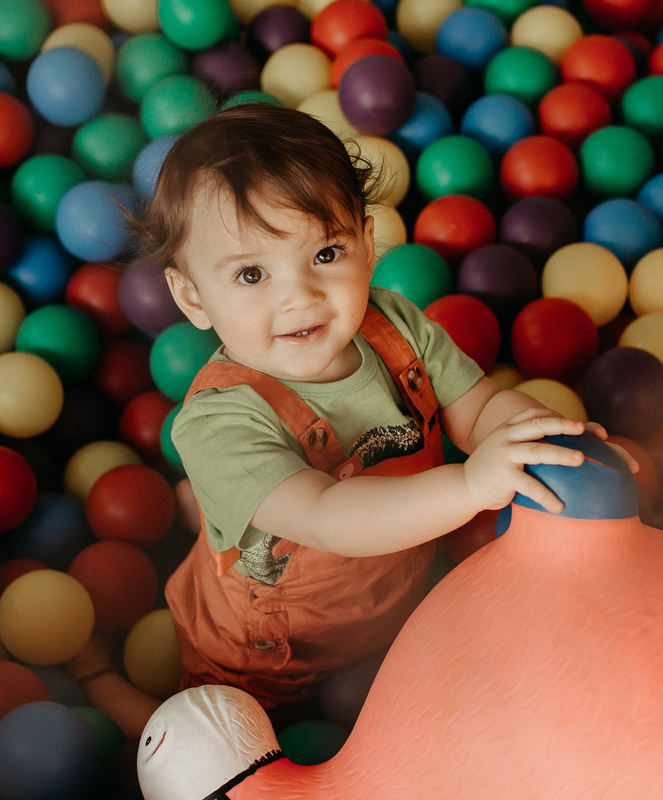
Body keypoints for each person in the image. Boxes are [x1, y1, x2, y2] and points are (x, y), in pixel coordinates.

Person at [68, 103, 632, 737]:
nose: (299, 295)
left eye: (326, 252)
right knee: (207, 744)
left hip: (396, 602)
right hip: (265, 649)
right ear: (193, 298)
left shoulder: (394, 325)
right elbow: (326, 517)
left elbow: (478, 407)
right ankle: (101, 686)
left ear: (367, 244)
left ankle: (219, 509)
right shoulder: (216, 424)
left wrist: (540, 435)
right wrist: (474, 486)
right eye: (252, 274)